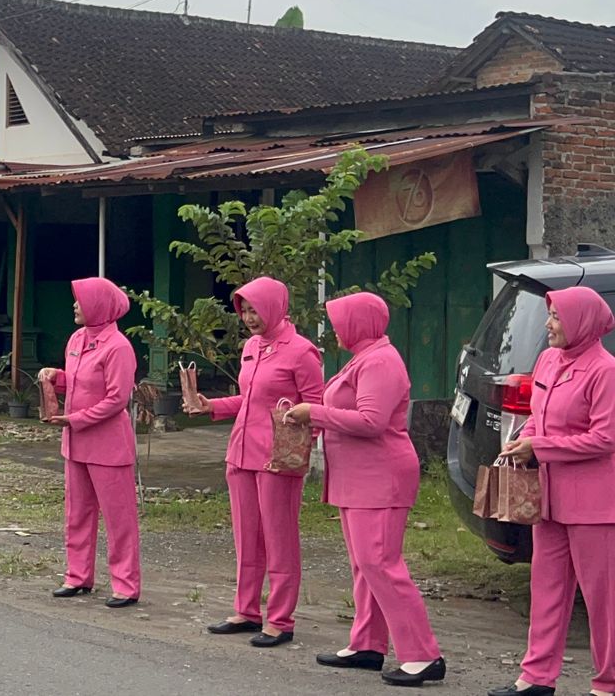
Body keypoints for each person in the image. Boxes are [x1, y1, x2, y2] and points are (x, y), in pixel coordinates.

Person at [283, 292, 446, 686]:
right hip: (358, 476)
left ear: (359, 323)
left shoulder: (380, 362)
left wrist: (314, 413)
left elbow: (371, 421)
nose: (335, 329)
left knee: (380, 562)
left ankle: (423, 654)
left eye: (340, 321)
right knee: (364, 564)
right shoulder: (364, 358)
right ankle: (368, 644)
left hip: (381, 475)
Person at [487, 287, 615, 696]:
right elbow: (538, 416)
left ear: (582, 322)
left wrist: (540, 447)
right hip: (548, 497)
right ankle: (537, 677)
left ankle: (607, 682)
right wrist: (525, 439)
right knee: (547, 589)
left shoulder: (605, 371)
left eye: (557, 317)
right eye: (551, 315)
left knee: (602, 599)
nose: (549, 324)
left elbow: (605, 438)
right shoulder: (547, 359)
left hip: (594, 504)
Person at [184, 277, 324, 648]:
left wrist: (299, 451)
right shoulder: (251, 347)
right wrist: (210, 405)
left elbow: (316, 408)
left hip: (278, 460)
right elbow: (248, 401)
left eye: (254, 310)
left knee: (279, 539)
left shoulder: (302, 351)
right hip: (242, 453)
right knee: (247, 538)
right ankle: (247, 610)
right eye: (243, 311)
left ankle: (280, 619)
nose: (248, 317)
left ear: (274, 306)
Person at [39, 277, 142, 608]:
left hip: (108, 445)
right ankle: (77, 575)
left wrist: (76, 420)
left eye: (80, 300)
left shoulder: (119, 347)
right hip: (76, 442)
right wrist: (56, 378)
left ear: (98, 306)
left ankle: (125, 584)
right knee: (77, 513)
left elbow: (116, 398)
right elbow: (79, 383)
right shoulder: (76, 339)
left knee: (118, 518)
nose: (74, 305)